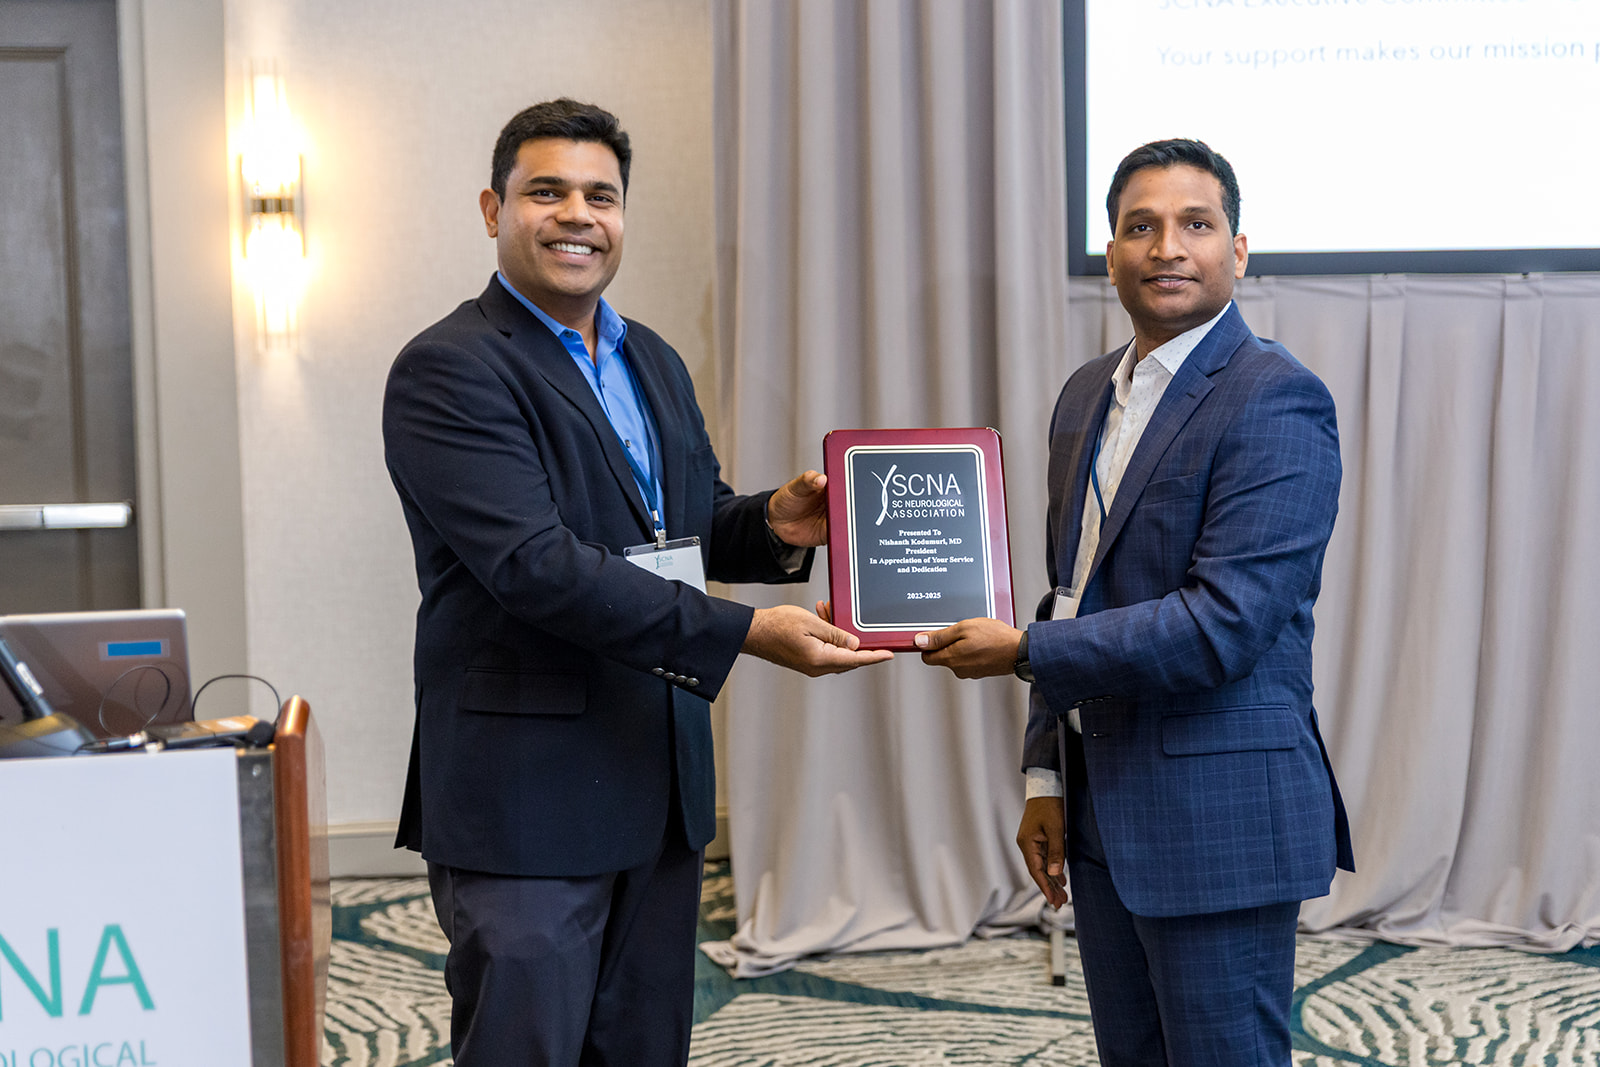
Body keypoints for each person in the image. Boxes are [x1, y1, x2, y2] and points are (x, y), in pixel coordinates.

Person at [382, 98, 892, 1067]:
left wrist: (775, 525)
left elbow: (676, 529)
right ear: (493, 210)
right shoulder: (449, 367)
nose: (578, 215)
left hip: (655, 781)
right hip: (527, 799)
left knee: (643, 1049)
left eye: (601, 196)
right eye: (547, 192)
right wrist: (747, 631)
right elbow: (536, 566)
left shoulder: (649, 356)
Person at [912, 139, 1354, 1066]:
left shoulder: (1277, 399)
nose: (1168, 246)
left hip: (1218, 817)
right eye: (1140, 226)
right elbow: (1068, 594)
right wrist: (1045, 776)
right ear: (1111, 253)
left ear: (1239, 250)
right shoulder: (1085, 396)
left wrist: (1023, 650)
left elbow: (1222, 626)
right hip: (1099, 809)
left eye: (1197, 224)